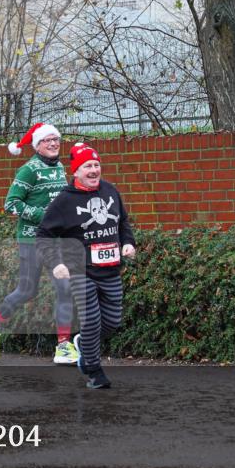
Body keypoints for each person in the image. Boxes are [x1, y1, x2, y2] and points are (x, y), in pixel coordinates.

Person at [36, 143, 136, 389]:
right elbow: (44, 235)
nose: (93, 170)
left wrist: (128, 243)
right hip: (80, 271)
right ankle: (93, 371)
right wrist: (56, 262)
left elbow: (123, 222)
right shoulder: (65, 201)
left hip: (110, 270)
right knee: (91, 321)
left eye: (96, 165)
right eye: (87, 166)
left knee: (111, 322)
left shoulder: (111, 191)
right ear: (76, 171)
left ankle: (83, 343)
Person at [0, 123, 76, 364]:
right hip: (31, 240)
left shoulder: (60, 167)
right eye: (48, 140)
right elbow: (11, 203)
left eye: (56, 139)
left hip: (55, 242)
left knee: (64, 288)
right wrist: (43, 215)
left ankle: (63, 346)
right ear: (37, 145)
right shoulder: (28, 170)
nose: (54, 144)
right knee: (27, 291)